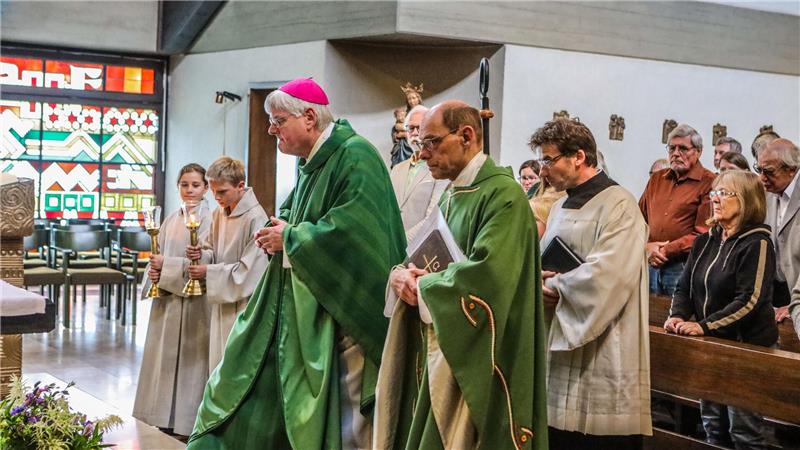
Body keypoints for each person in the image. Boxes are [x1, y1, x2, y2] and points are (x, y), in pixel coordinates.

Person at [188, 78, 406, 449]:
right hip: (313, 305)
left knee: (349, 416)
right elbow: (295, 215)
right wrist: (280, 230)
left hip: (346, 310)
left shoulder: (355, 156)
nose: (272, 129)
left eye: (277, 121)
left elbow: (354, 232)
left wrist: (289, 238)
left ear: (308, 117)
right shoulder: (315, 161)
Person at [374, 101, 548, 449]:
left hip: (483, 355)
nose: (422, 155)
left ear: (466, 136)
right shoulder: (455, 194)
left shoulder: (505, 196)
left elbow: (490, 277)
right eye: (419, 144)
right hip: (449, 343)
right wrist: (400, 275)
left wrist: (423, 286)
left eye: (431, 143)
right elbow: (421, 252)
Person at [532, 118, 651, 449]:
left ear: (578, 157)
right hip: (559, 342)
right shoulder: (557, 207)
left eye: (549, 160)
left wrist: (558, 287)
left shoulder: (620, 205)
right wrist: (537, 279)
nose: (543, 170)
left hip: (604, 349)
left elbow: (609, 275)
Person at [666, 170, 777, 450]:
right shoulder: (705, 241)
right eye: (715, 192)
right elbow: (684, 288)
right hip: (712, 346)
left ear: (747, 200)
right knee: (713, 427)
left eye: (725, 193)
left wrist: (704, 326)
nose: (715, 198)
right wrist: (677, 315)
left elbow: (750, 300)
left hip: (746, 348)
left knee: (744, 432)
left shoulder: (757, 242)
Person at [133, 163, 213, 437]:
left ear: (206, 188)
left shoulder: (210, 219)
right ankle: (160, 414)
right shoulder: (170, 219)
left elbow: (208, 258)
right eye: (185, 184)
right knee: (163, 359)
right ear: (178, 186)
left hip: (193, 301)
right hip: (167, 299)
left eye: (196, 185)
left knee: (191, 361)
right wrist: (154, 270)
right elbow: (158, 254)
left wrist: (165, 266)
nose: (190, 190)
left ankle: (187, 420)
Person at [185, 156, 269, 372]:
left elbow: (250, 272)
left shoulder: (256, 218)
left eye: (222, 192)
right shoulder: (219, 213)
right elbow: (211, 250)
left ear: (241, 186)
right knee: (218, 363)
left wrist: (208, 271)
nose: (216, 197)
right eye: (213, 192)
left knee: (236, 366)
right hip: (221, 300)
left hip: (243, 304)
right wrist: (200, 255)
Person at [639, 124, 715, 295]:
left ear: (699, 151)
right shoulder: (657, 179)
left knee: (677, 318)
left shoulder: (710, 182)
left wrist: (665, 250)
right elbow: (638, 219)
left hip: (684, 266)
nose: (675, 153)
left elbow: (704, 233)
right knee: (648, 315)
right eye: (672, 148)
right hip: (650, 262)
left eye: (683, 148)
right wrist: (645, 246)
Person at [758, 139, 800, 338]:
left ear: (791, 170)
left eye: (769, 171)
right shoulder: (768, 193)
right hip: (777, 291)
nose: (762, 177)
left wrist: (792, 306)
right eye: (759, 169)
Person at [390, 104, 449, 241]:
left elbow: (433, 217)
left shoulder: (439, 167)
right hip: (390, 244)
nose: (415, 133)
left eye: (420, 127)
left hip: (420, 245)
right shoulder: (397, 168)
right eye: (411, 128)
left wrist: (403, 242)